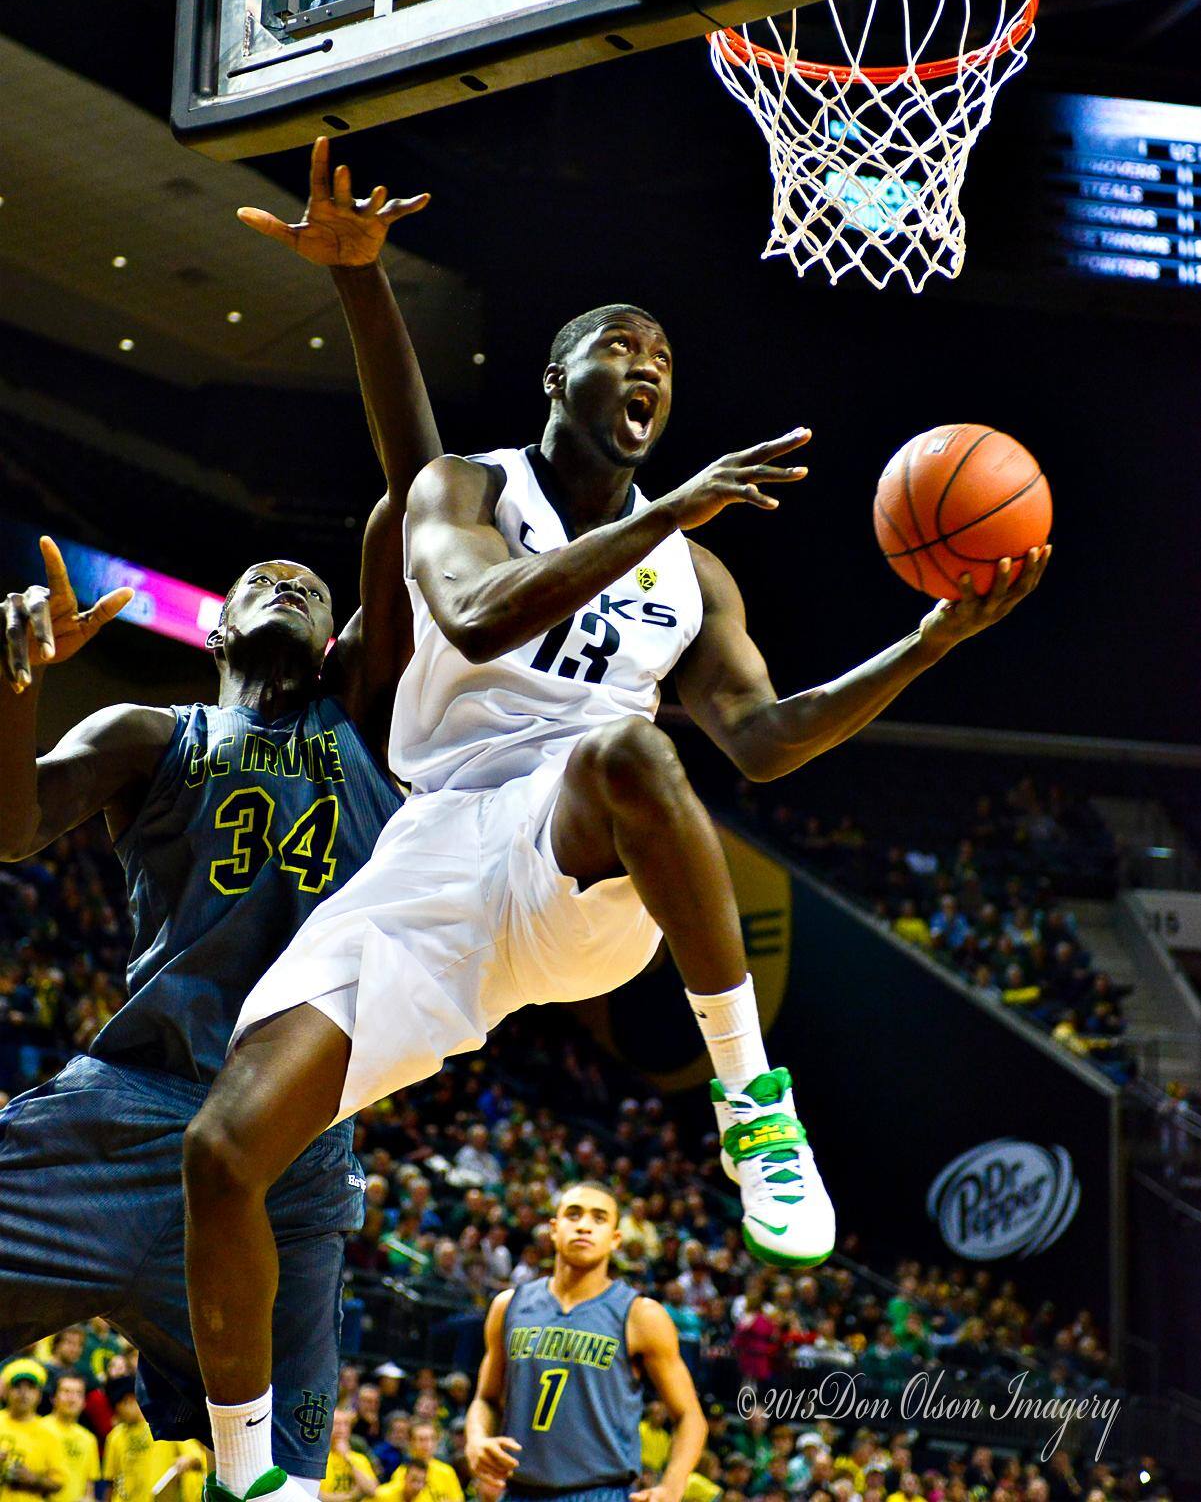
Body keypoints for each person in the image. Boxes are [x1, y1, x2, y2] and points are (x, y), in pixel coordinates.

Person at [183, 305, 1048, 1502]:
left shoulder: (692, 575)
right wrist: (666, 513)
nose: (648, 367)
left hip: (578, 852)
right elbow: (477, 614)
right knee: (222, 1151)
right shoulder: (465, 489)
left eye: (667, 360)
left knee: (637, 756)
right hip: (435, 855)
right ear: (556, 374)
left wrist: (922, 645)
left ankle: (752, 1105)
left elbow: (761, 739)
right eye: (623, 346)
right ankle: (246, 1477)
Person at [0, 140, 441, 1492]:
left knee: (283, 1481)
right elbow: (12, 827)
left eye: (313, 580)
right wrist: (10, 683)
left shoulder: (370, 718)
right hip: (119, 1112)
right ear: (219, 632)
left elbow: (416, 493)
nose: (292, 584)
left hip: (287, 1155)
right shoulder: (154, 735)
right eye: (265, 575)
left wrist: (364, 289)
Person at [465, 1182, 707, 1502]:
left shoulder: (640, 1315)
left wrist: (673, 1486)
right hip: (518, 1490)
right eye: (574, 1215)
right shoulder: (508, 1306)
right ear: (554, 1229)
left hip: (599, 1492)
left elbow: (690, 1416)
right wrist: (476, 1439)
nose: (584, 1226)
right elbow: (485, 1399)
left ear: (615, 1239)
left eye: (599, 1218)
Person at [100, 1379, 206, 1502]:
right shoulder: (114, 1436)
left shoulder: (166, 1425)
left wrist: (189, 1461)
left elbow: (199, 1459)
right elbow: (111, 1482)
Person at [0, 1361, 64, 1502]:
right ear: (6, 1392)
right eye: (17, 1387)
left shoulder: (49, 1433)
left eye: (30, 1387)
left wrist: (33, 1479)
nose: (23, 1393)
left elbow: (59, 1483)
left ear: (39, 1395)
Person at [44, 1375, 100, 1502]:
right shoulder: (39, 1429)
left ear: (84, 1402)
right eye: (66, 1391)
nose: (72, 1398)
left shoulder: (88, 1439)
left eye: (78, 1393)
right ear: (53, 1398)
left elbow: (89, 1487)